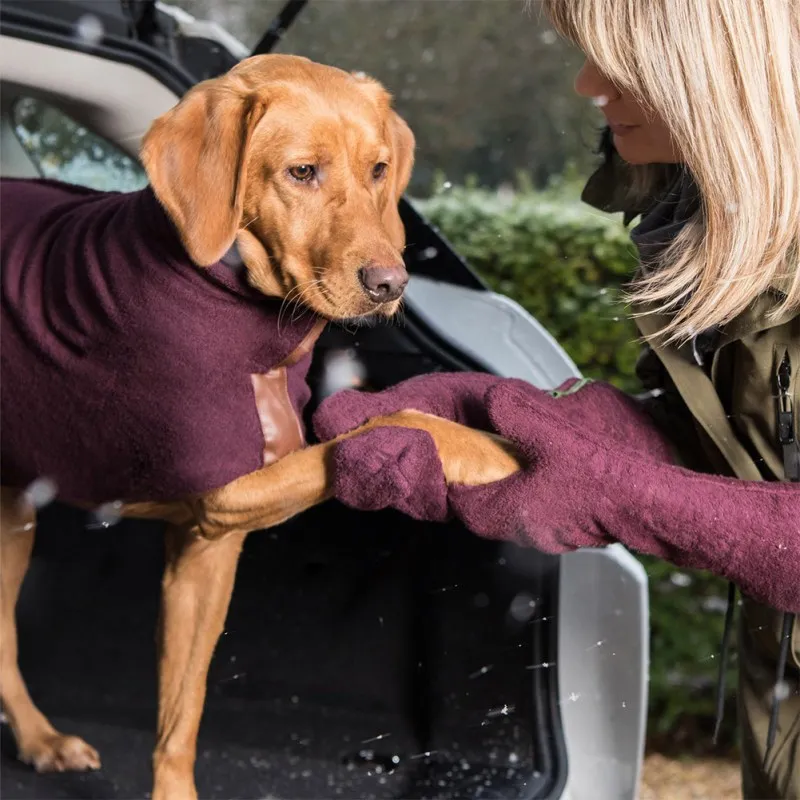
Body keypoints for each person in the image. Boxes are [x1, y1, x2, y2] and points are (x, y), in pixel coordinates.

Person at [311, 1, 800, 798]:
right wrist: (514, 419)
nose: (586, 85)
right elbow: (741, 453)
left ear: (718, 64)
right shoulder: (716, 217)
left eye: (617, 60)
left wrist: (616, 496)